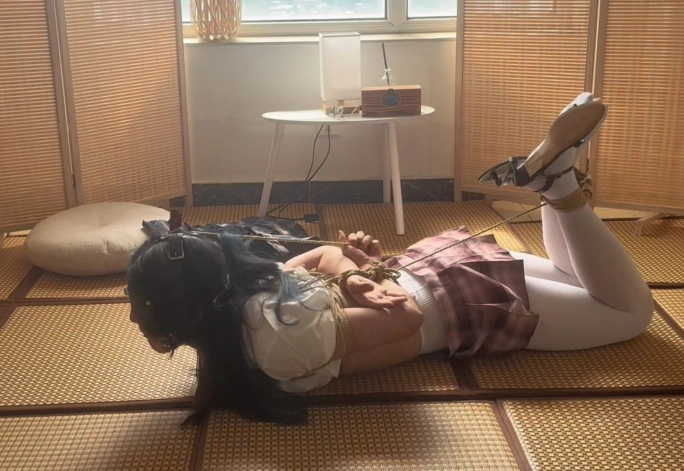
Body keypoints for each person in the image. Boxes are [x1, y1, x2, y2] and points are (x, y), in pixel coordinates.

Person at [126, 93, 654, 424]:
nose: (131, 315)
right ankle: (552, 184)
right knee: (575, 278)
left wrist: (356, 275)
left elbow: (399, 314)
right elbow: (335, 265)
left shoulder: (273, 342)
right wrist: (356, 273)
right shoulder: (249, 297)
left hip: (460, 301)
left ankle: (557, 184)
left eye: (139, 304)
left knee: (630, 314)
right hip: (432, 271)